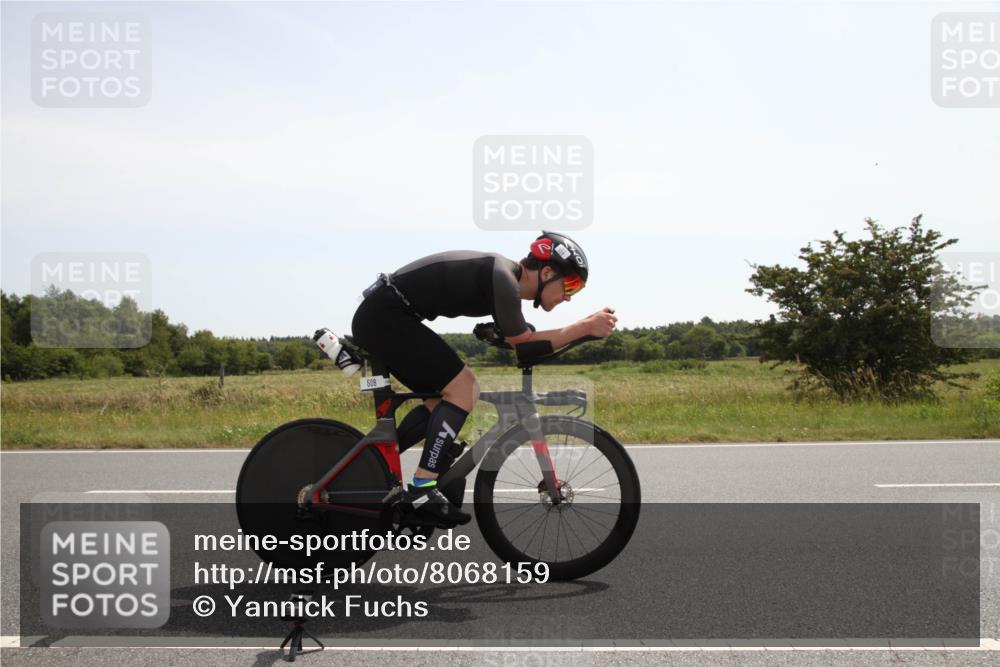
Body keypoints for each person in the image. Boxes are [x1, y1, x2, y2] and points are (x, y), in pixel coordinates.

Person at [350, 231, 617, 525]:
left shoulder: (504, 279)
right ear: (547, 271)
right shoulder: (502, 277)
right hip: (385, 316)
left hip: (386, 315)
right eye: (570, 285)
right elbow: (525, 344)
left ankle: (368, 467)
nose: (568, 296)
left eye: (575, 290)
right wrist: (583, 327)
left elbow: (520, 339)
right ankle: (421, 490)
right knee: (465, 389)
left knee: (438, 402)